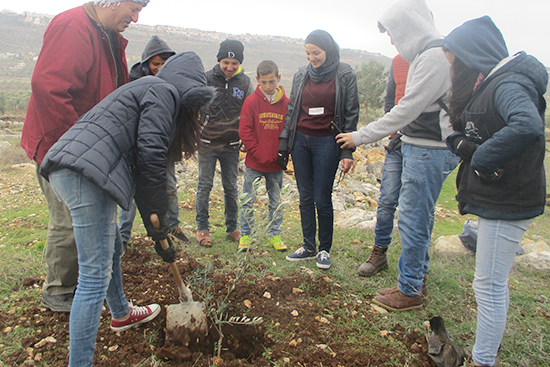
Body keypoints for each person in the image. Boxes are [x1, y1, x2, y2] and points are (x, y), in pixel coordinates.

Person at [40, 52, 214, 367]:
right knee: (94, 274)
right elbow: (150, 158)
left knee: (113, 245)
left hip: (73, 169)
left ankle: (121, 313)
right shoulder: (163, 92)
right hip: (85, 174)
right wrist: (158, 227)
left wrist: (157, 231)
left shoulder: (148, 89)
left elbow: (141, 170)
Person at [20, 0, 148, 313]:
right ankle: (61, 291)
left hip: (87, 147)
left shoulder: (105, 33)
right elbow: (49, 89)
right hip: (62, 147)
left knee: (88, 223)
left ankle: (88, 288)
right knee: (70, 221)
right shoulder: (74, 26)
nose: (136, 17)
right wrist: (73, 146)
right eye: (133, 7)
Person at [336, 0, 460, 309]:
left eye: (393, 32)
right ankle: (416, 279)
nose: (391, 40)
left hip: (428, 149)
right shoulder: (430, 54)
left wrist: (359, 136)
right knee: (418, 217)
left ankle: (409, 290)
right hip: (418, 145)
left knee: (414, 218)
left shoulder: (433, 58)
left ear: (408, 27)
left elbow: (406, 109)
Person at [442, 16, 547, 367]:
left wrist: (482, 159)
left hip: (508, 200)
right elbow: (493, 130)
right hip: (500, 197)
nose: (454, 70)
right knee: (489, 283)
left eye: (456, 60)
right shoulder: (494, 81)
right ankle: (485, 352)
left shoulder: (507, 84)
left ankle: (482, 360)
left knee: (487, 285)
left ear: (472, 54)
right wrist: (465, 144)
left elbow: (528, 125)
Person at [279, 30, 359, 270]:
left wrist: (347, 151)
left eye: (316, 53)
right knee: (305, 196)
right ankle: (308, 246)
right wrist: (285, 143)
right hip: (301, 141)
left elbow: (351, 112)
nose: (311, 58)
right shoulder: (302, 73)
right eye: (308, 53)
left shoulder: (344, 73)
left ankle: (324, 248)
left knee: (322, 197)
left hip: (327, 141)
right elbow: (293, 109)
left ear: (328, 50)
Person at [119, 35, 190, 247]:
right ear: (146, 64)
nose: (159, 68)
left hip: (164, 146)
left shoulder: (175, 82)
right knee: (131, 192)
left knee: (168, 185)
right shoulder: (135, 82)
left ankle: (173, 227)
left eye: (163, 63)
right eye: (155, 63)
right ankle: (123, 235)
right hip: (135, 145)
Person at [195, 39, 254, 247]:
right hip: (206, 142)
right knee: (204, 186)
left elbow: (249, 113)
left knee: (231, 187)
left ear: (240, 63)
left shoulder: (245, 83)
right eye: (226, 62)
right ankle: (202, 229)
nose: (229, 67)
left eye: (234, 63)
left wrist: (247, 137)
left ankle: (232, 228)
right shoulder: (206, 78)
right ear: (219, 60)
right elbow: (195, 107)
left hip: (231, 144)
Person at [358, 54, 409, 277]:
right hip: (397, 142)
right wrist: (393, 131)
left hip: (425, 143)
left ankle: (414, 264)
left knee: (415, 207)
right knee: (387, 199)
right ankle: (379, 253)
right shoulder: (398, 61)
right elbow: (391, 99)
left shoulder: (433, 58)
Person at [238, 60, 289, 252]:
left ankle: (274, 234)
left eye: (272, 81)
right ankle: (246, 235)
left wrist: (284, 154)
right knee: (248, 199)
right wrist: (257, 153)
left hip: (276, 164)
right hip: (254, 163)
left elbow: (288, 130)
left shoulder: (286, 104)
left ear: (278, 79)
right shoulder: (251, 102)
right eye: (264, 82)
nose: (268, 86)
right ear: (257, 80)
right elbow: (245, 131)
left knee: (275, 201)